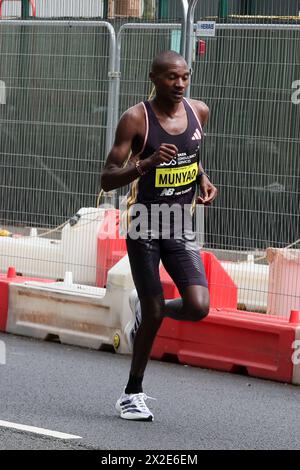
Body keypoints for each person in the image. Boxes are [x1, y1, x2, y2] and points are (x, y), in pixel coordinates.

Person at [101, 50, 218, 422]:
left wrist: (201, 178)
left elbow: (191, 154)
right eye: (171, 77)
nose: (179, 84)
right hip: (145, 227)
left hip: (180, 224)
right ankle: (131, 394)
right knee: (153, 311)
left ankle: (147, 310)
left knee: (198, 306)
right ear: (153, 78)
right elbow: (106, 178)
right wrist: (146, 164)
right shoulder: (136, 119)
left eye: (184, 76)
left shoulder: (199, 111)